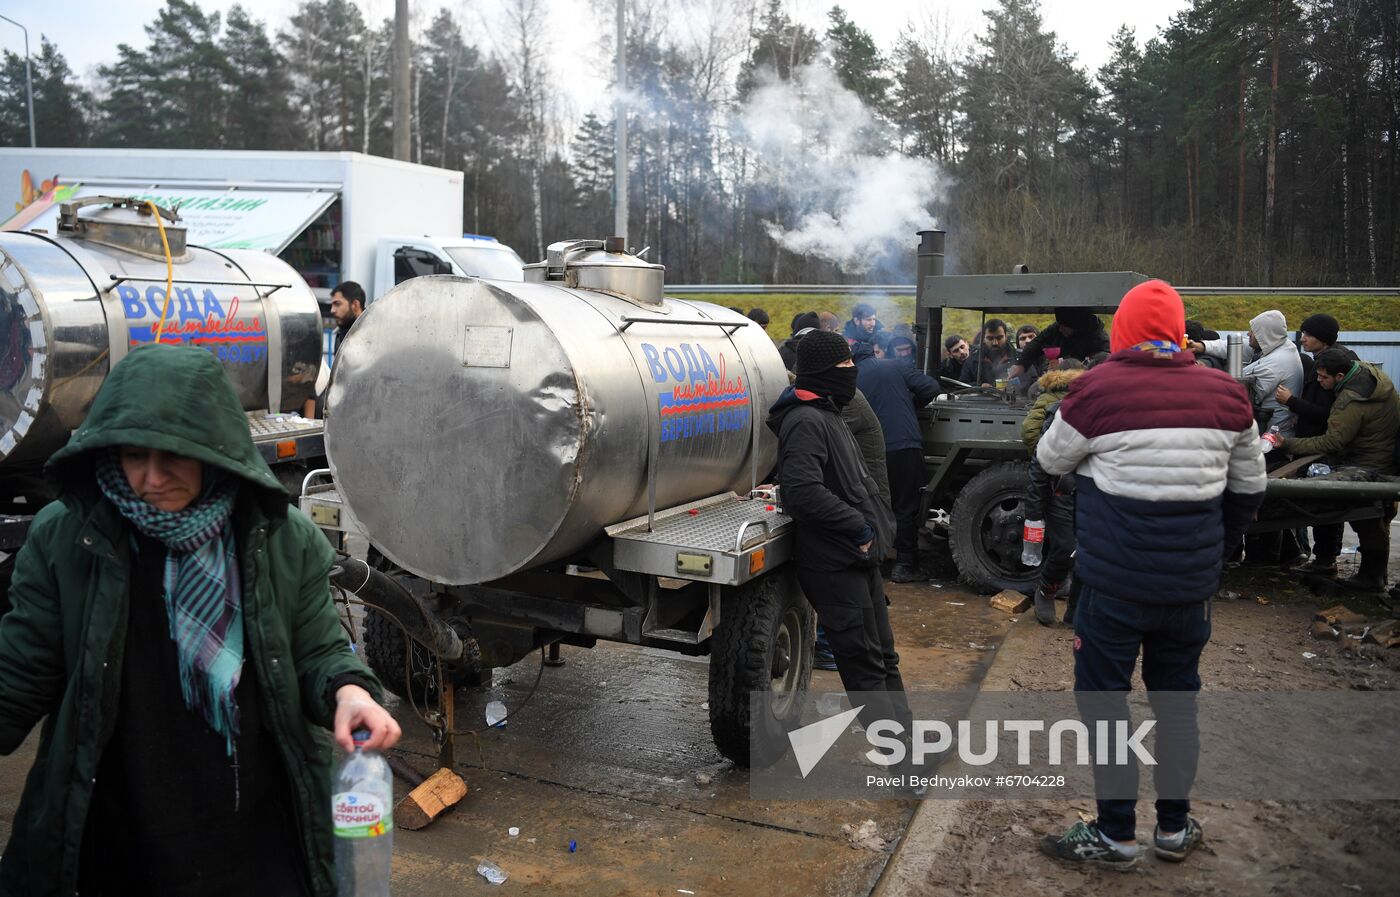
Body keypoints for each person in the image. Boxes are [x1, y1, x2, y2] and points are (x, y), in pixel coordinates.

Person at [0, 344, 400, 896]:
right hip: (117, 838)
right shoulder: (67, 538)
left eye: (173, 457)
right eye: (132, 456)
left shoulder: (283, 539)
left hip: (256, 836)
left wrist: (350, 691)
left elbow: (317, 652)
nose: (150, 478)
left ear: (215, 452)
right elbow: (20, 676)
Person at [1036, 280, 1266, 868]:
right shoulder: (1229, 394)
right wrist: (1217, 551)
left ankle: (1115, 835)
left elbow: (1050, 458)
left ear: (1123, 331)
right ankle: (1173, 827)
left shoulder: (1096, 389)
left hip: (1113, 587)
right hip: (1191, 589)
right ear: (1178, 329)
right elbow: (1249, 490)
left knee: (1106, 707)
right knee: (1177, 705)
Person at [767, 330, 911, 738]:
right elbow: (801, 491)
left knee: (884, 658)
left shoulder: (830, 413)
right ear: (822, 371)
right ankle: (902, 760)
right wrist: (859, 526)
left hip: (859, 556)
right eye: (845, 365)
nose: (853, 372)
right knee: (864, 664)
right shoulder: (805, 420)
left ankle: (910, 743)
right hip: (834, 561)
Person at [1277, 349, 1400, 592]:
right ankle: (1374, 574)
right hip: (1382, 456)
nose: (1320, 383)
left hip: (1368, 462)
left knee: (1365, 515)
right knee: (1373, 517)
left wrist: (1288, 443)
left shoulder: (1350, 400)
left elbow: (1332, 442)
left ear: (1341, 375)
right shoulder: (1370, 374)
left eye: (1323, 378)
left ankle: (1369, 577)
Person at [853, 342, 941, 582]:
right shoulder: (894, 365)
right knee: (905, 505)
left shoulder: (852, 378)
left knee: (873, 505)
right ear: (873, 353)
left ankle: (875, 560)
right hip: (904, 444)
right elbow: (931, 387)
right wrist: (911, 405)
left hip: (869, 451)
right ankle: (905, 564)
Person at [1277, 314, 1356, 576]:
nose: (1303, 338)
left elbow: (1324, 413)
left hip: (1322, 446)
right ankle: (1324, 557)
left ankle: (1325, 559)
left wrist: (1291, 402)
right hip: (1316, 443)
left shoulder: (1331, 365)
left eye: (1308, 334)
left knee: (1325, 502)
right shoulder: (1325, 361)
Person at [1021, 359, 1086, 625]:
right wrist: (1034, 514)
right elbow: (1040, 464)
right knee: (1064, 548)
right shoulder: (1059, 413)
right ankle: (1047, 589)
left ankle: (1076, 608)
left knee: (1088, 553)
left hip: (1089, 493)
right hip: (1061, 492)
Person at [1190, 310, 1303, 436]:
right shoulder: (1279, 343)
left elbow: (1233, 387)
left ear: (1263, 336)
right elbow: (1237, 345)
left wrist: (1203, 373)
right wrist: (1202, 346)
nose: (1248, 334)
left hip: (1270, 436)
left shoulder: (1274, 364)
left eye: (1253, 332)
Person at [1009, 307, 1111, 387]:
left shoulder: (1100, 340)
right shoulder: (1058, 329)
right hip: (1059, 381)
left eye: (1065, 326)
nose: (1060, 329)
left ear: (1077, 325)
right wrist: (1021, 364)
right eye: (1059, 324)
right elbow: (1038, 342)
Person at [960, 319, 1014, 386]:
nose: (995, 343)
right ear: (983, 338)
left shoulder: (1016, 357)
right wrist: (980, 386)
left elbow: (1027, 382)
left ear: (1006, 336)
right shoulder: (974, 359)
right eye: (990, 338)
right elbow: (962, 385)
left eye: (999, 338)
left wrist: (1011, 385)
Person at [330, 280, 367, 346]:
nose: (332, 310)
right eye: (332, 305)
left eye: (337, 304)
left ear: (355, 305)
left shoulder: (375, 334)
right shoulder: (340, 336)